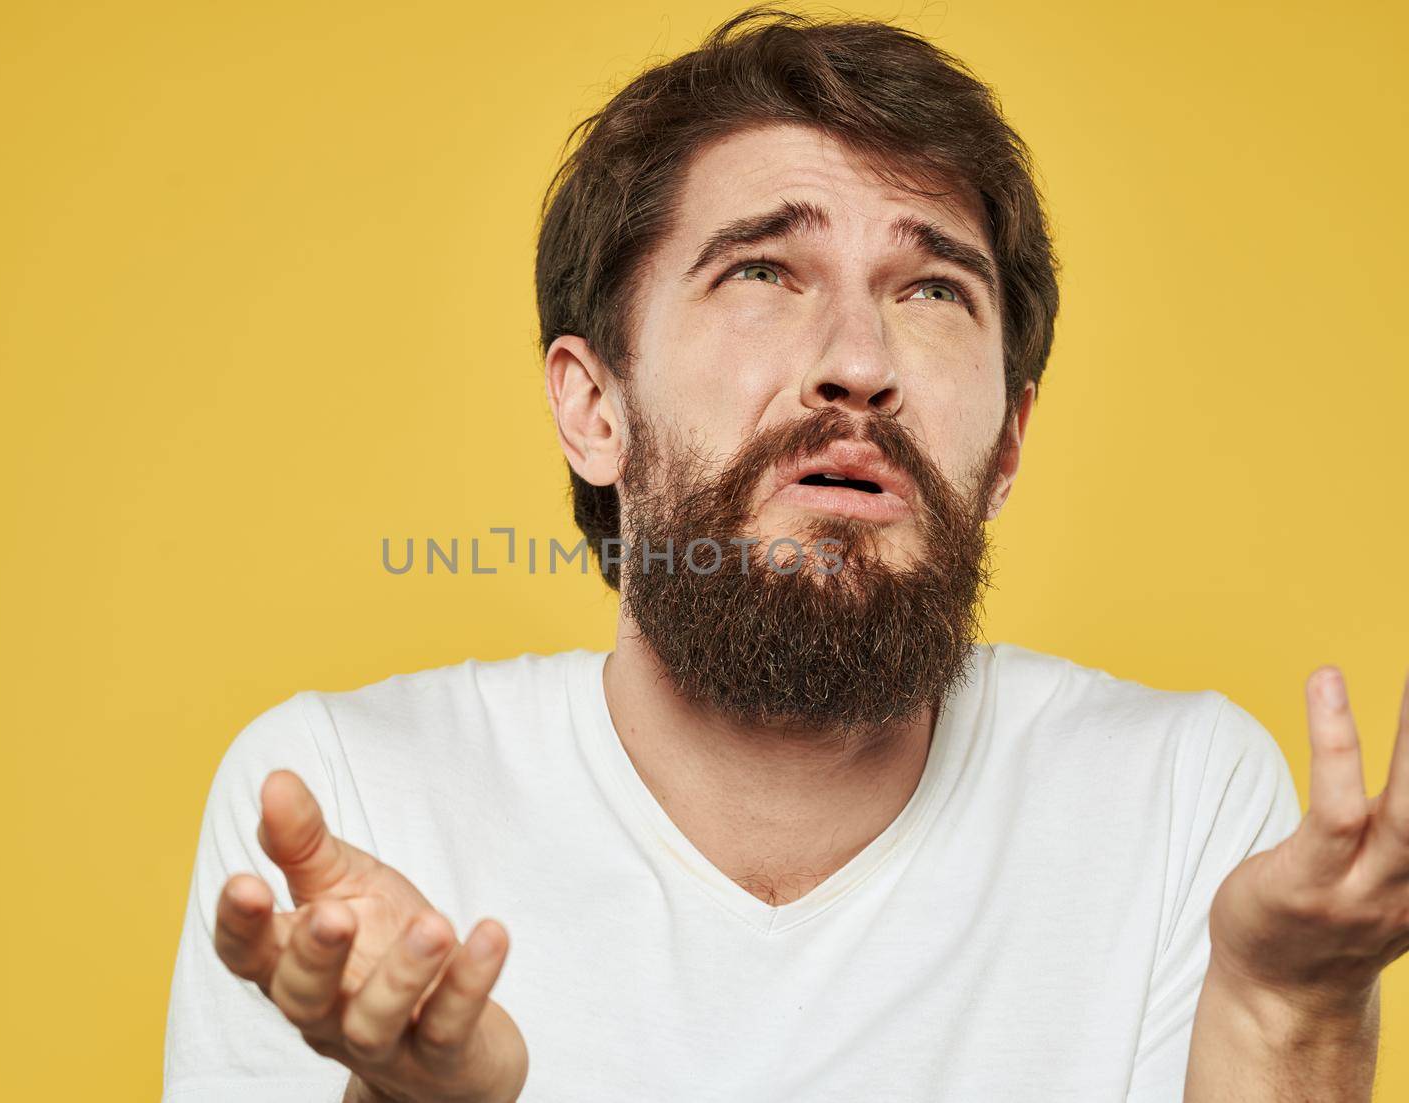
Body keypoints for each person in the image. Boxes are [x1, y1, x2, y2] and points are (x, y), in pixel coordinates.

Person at [164, 8, 1399, 1102]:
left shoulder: (1181, 798)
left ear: (1008, 443)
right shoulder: (343, 805)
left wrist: (1290, 1011)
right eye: (764, 269)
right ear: (595, 408)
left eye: (931, 290)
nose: (857, 358)